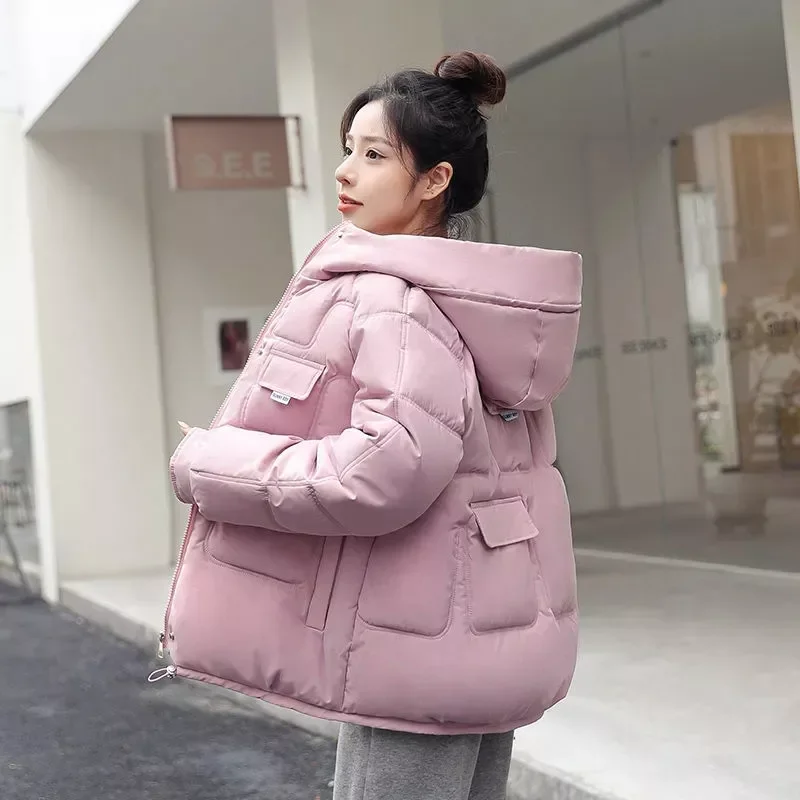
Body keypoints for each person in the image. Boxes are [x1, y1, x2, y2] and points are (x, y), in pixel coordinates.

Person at [164, 51, 582, 800]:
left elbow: (385, 466)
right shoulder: (479, 303)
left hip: (409, 642)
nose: (345, 171)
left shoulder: (394, 298)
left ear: (435, 180)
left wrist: (211, 464)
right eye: (348, 149)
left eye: (374, 154)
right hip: (474, 630)